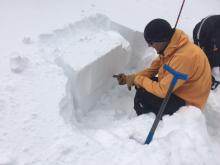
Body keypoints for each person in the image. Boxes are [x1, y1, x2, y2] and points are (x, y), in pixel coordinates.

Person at [113, 18, 211, 116]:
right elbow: (152, 70)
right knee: (145, 84)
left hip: (189, 104)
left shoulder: (184, 57)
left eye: (151, 43)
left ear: (162, 40)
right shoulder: (172, 48)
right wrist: (131, 78)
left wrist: (138, 80)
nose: (149, 46)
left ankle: (146, 121)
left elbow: (162, 91)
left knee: (143, 95)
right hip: (180, 89)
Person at [193, 15, 220, 90]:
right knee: (205, 60)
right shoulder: (211, 26)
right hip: (201, 37)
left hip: (212, 40)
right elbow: (199, 39)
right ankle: (205, 79)